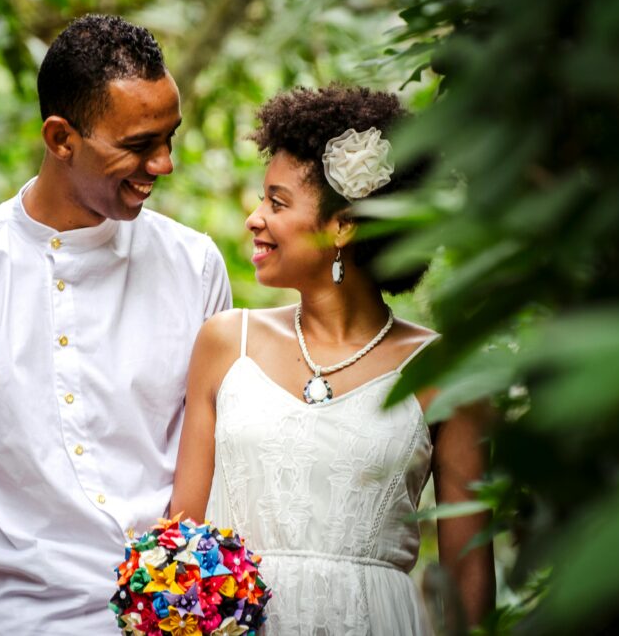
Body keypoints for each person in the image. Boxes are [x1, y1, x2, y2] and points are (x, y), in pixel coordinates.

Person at [0, 14, 231, 634]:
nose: (164, 164)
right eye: (139, 145)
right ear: (61, 138)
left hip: (176, 624)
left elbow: (222, 458)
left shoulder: (195, 266)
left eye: (170, 138)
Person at [170, 86, 495, 634]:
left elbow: (469, 573)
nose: (254, 218)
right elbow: (182, 537)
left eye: (276, 203)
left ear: (342, 225)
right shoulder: (225, 343)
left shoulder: (444, 373)